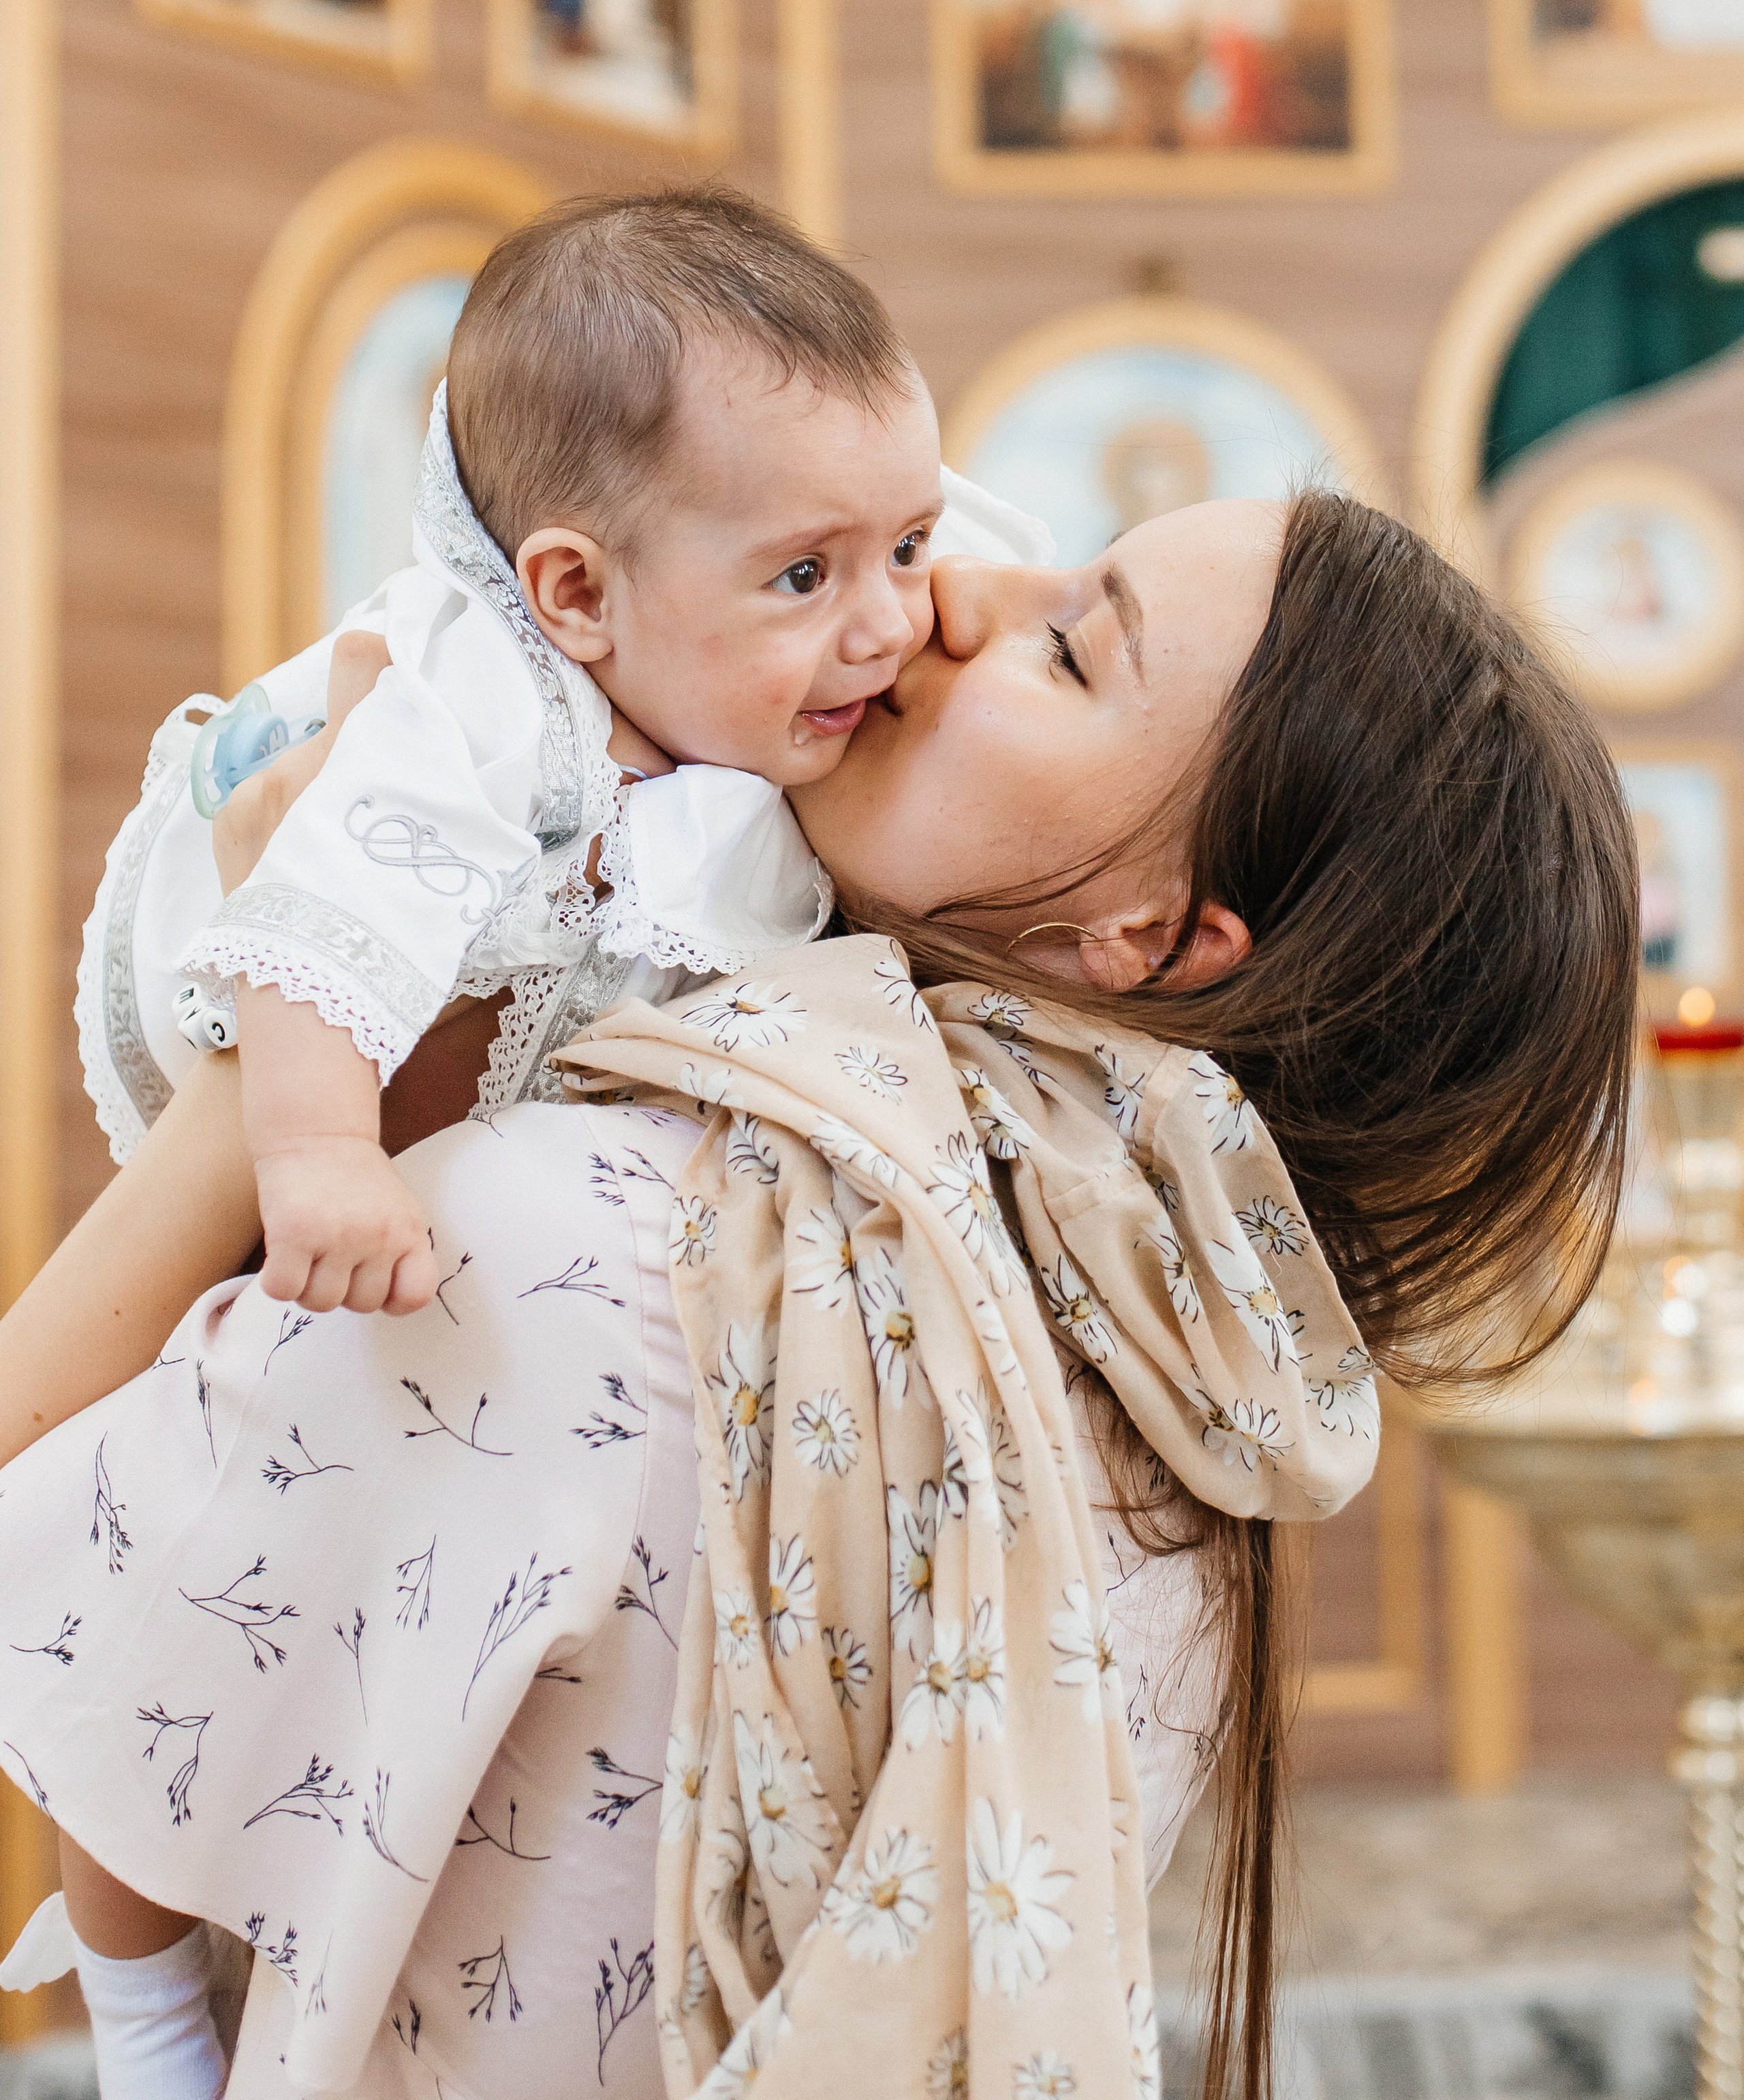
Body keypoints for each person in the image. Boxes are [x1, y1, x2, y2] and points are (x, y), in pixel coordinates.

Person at [0, 489, 1638, 2100]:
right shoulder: (1213, 1429)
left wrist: (289, 1007)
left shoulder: (559, 1243)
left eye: (1070, 652)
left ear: (1154, 938)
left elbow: (55, 1580)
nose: (961, 598)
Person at [79, 189, 1044, 1316]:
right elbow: (323, 900)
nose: (890, 626)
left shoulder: (775, 551)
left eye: (911, 546)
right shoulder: (481, 705)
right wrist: (319, 1157)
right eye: (804, 577)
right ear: (578, 592)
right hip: (268, 1011)